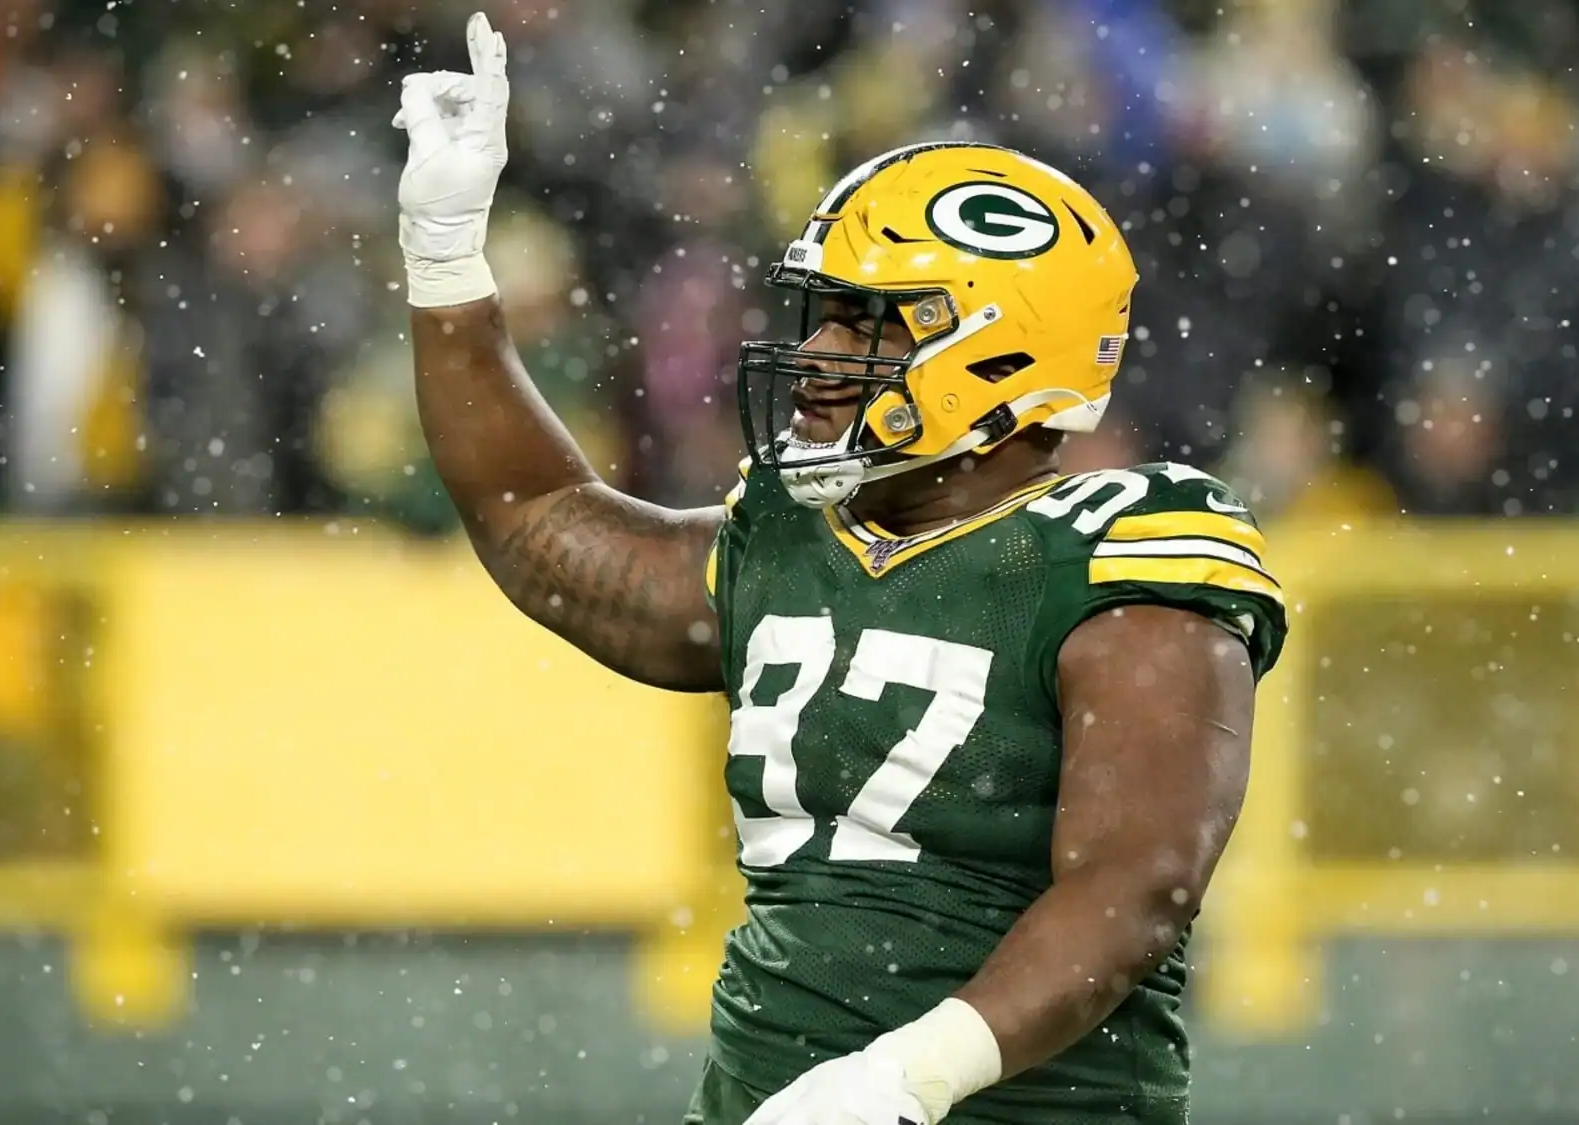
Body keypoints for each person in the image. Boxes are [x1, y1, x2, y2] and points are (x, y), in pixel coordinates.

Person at [394, 16, 1287, 1125]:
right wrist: (443, 258)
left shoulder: (1122, 548)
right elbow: (536, 524)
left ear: (1001, 346)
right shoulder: (797, 533)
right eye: (820, 319)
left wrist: (908, 1078)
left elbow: (1134, 885)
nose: (817, 358)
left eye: (870, 325)